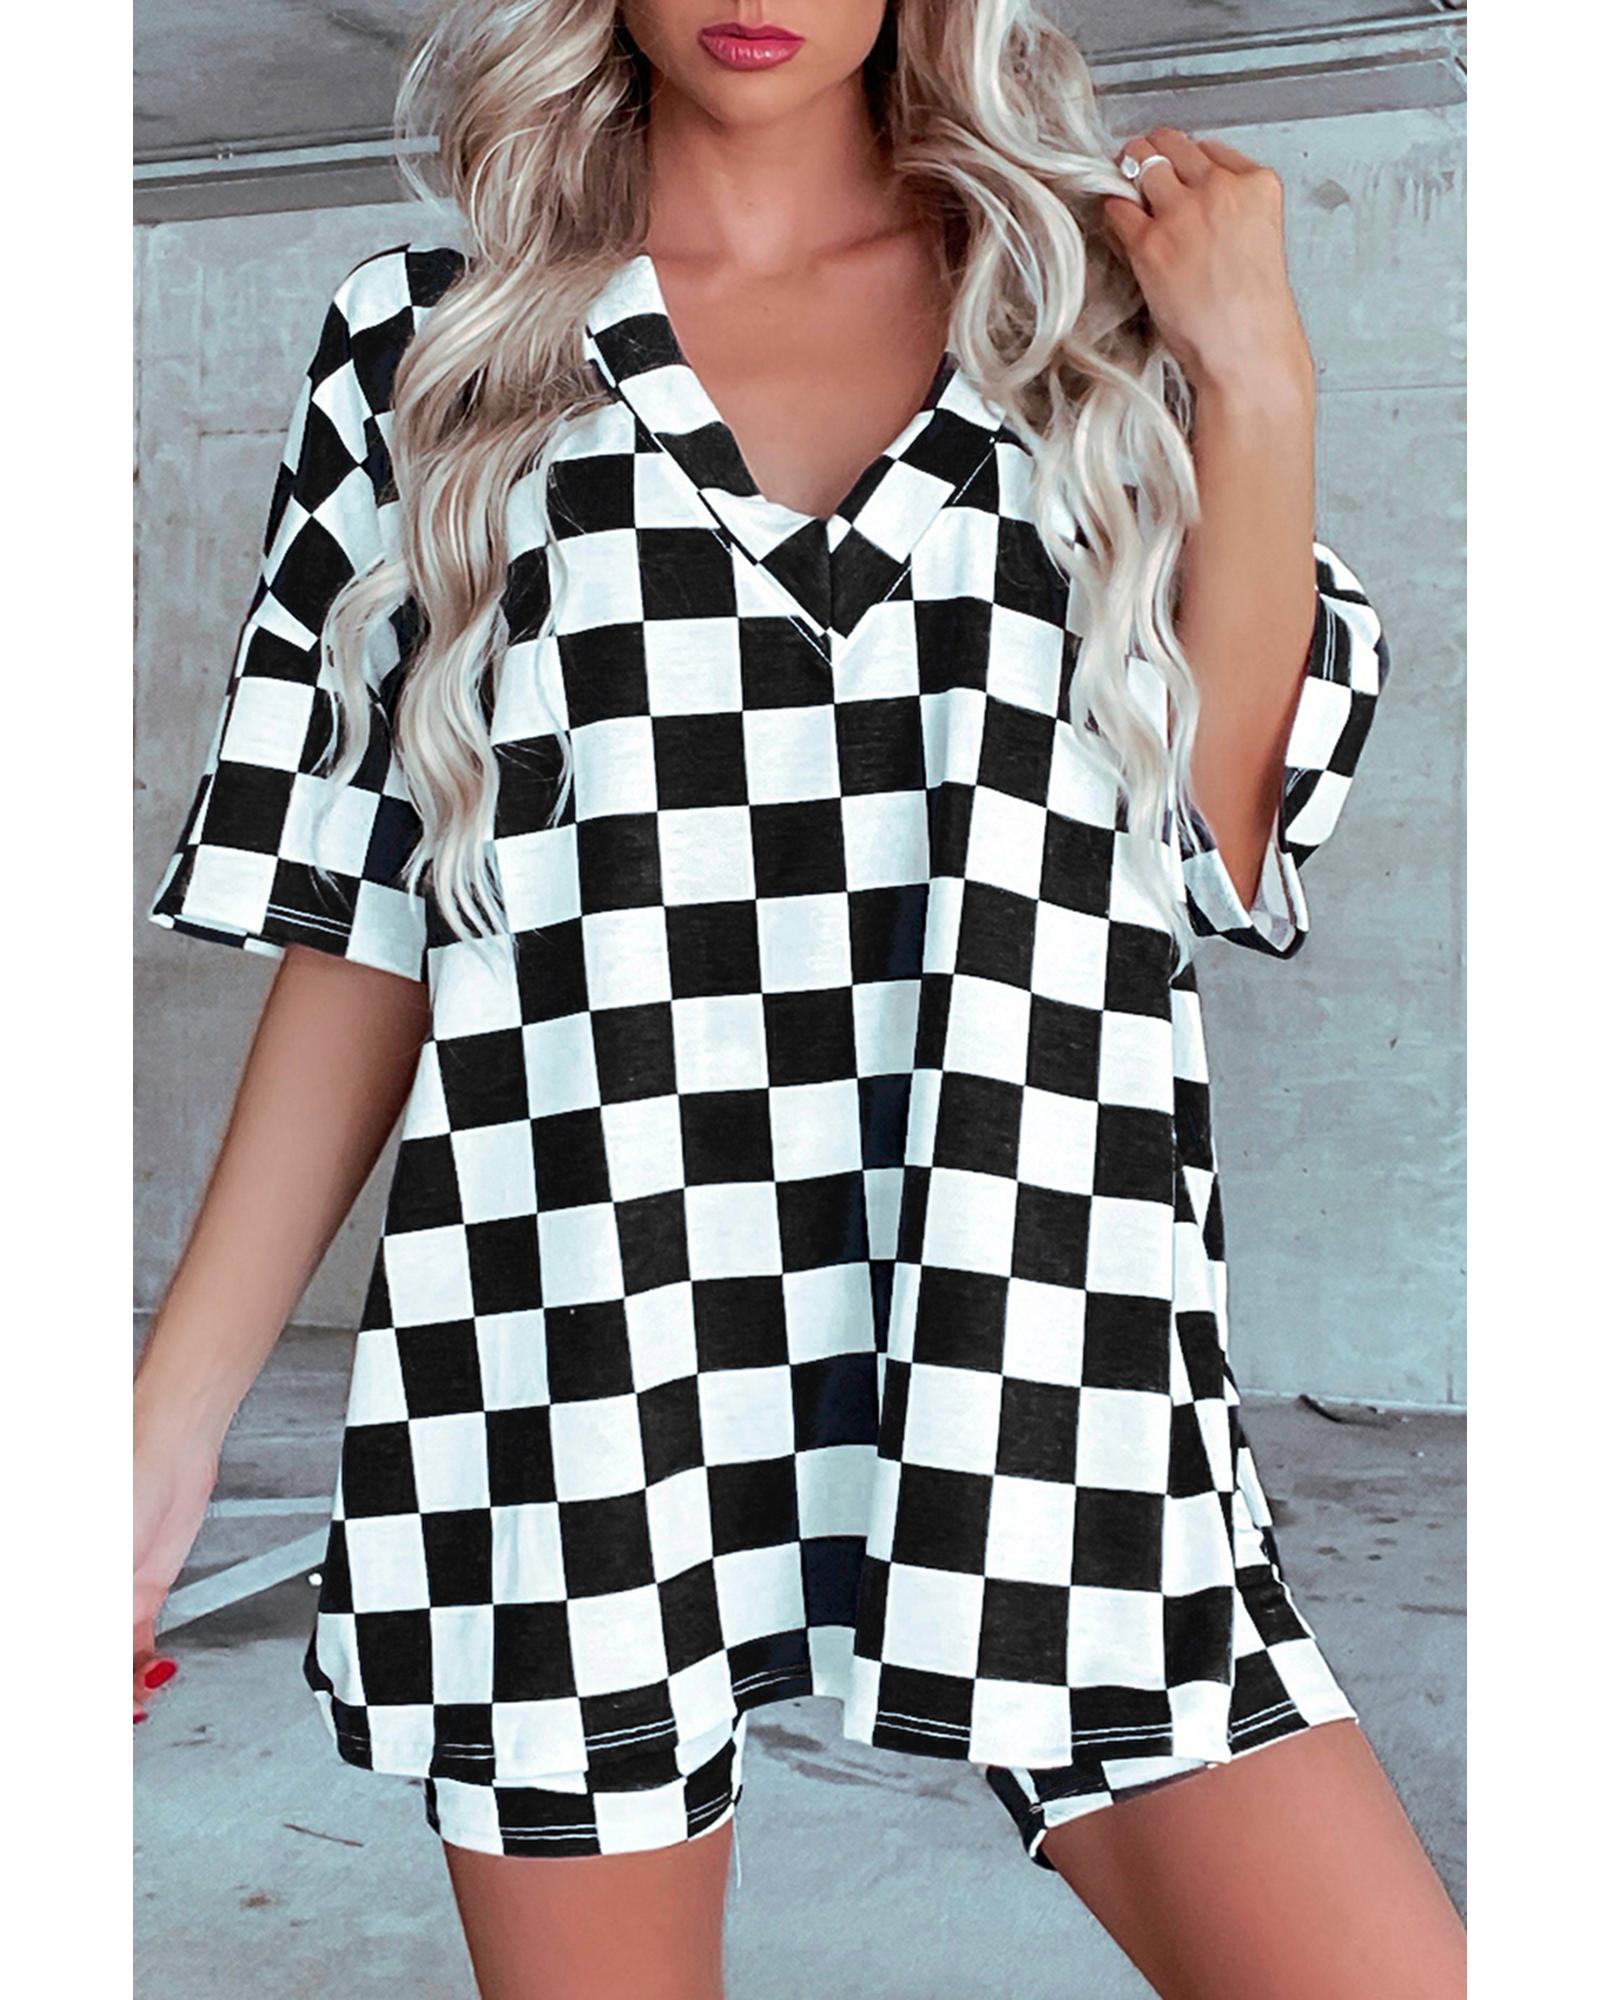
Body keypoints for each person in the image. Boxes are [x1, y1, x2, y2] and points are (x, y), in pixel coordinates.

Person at [133, 4, 1466, 1996]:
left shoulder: (1086, 312)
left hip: (1044, 1341)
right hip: (574, 1363)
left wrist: (1257, 376)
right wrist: (153, 1451)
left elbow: (1218, 833)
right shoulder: (431, 340)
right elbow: (374, 923)